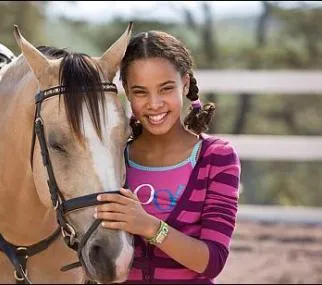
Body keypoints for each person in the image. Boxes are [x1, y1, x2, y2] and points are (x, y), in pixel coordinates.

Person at [94, 30, 241, 284]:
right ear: (127, 93)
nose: (154, 103)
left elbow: (212, 261)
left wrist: (149, 226)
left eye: (165, 89)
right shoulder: (113, 159)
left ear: (184, 84)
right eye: (140, 92)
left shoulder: (216, 158)